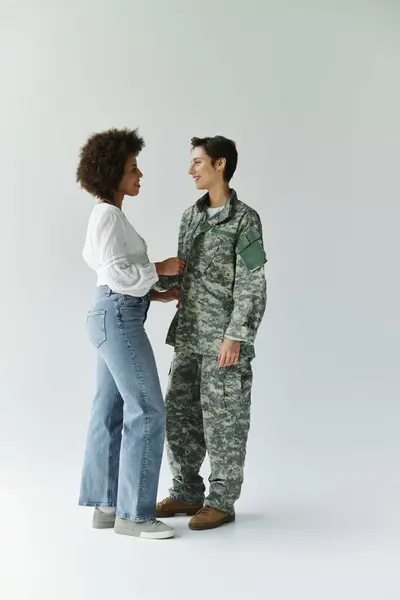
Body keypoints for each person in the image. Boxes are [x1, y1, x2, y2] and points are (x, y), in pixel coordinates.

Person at [156, 135, 267, 530]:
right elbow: (182, 272)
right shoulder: (189, 216)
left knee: (224, 421)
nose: (191, 170)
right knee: (179, 417)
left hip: (223, 341)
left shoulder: (245, 219)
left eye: (198, 162)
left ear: (220, 164)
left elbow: (252, 283)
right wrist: (149, 283)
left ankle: (221, 501)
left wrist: (236, 334)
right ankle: (187, 491)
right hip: (188, 337)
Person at [77, 128, 183, 540]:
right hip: (117, 318)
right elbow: (118, 271)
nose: (140, 175)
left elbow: (107, 270)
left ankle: (107, 506)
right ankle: (135, 515)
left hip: (113, 313)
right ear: (111, 174)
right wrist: (160, 268)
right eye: (132, 169)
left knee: (111, 409)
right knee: (148, 410)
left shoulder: (110, 215)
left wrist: (154, 294)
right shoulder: (106, 215)